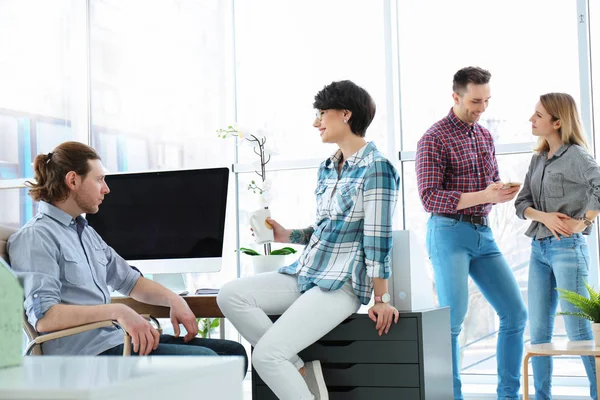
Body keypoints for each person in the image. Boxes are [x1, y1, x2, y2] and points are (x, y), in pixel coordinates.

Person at [217, 80, 400, 400]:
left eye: (322, 114)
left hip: (342, 282)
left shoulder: (378, 168)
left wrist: (381, 300)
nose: (317, 122)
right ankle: (298, 366)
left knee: (265, 357)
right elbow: (326, 228)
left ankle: (289, 365)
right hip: (307, 272)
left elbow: (377, 239)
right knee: (231, 295)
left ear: (346, 114)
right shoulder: (328, 167)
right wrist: (287, 235)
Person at [7, 141, 248, 370]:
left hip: (113, 342)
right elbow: (45, 317)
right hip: (85, 358)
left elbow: (130, 281)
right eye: (99, 179)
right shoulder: (36, 237)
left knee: (232, 353)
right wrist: (118, 311)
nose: (106, 189)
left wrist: (175, 300)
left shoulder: (84, 232)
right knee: (207, 362)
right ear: (72, 180)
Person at [415, 66, 528, 400]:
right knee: (451, 322)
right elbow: (430, 197)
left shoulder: (483, 136)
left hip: (483, 234)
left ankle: (508, 395)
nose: (482, 108)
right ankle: (453, 396)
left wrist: (499, 191)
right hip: (448, 233)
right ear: (456, 96)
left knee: (515, 313)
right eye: (476, 101)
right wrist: (485, 196)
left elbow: (490, 180)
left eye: (487, 101)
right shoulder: (433, 138)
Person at [515, 93, 600, 400]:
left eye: (538, 115)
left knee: (578, 331)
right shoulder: (538, 159)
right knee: (538, 334)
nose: (531, 119)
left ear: (557, 122)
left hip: (568, 249)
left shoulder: (576, 156)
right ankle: (542, 397)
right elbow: (521, 203)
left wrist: (584, 222)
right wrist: (545, 217)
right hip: (538, 249)